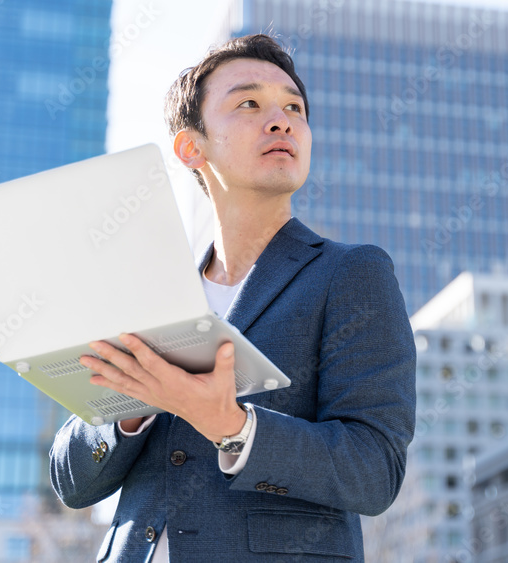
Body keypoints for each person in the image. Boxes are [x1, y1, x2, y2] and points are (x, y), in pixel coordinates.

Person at [48, 34, 417, 561]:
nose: (281, 120)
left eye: (294, 107)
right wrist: (129, 410)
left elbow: (374, 469)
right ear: (191, 147)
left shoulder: (351, 273)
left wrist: (233, 426)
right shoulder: (149, 295)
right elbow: (70, 481)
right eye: (249, 103)